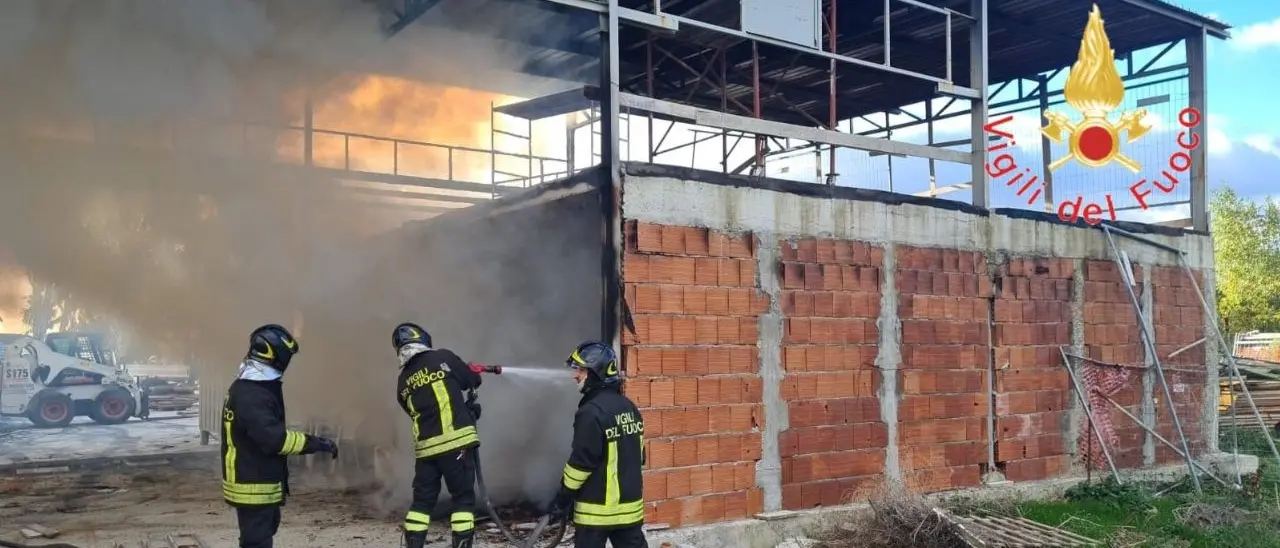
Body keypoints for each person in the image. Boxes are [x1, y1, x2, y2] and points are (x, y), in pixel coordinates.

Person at [220, 324, 339, 548]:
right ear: (275, 356)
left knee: (256, 538)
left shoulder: (245, 387)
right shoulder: (252, 395)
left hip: (252, 484)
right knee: (258, 542)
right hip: (254, 486)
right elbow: (275, 440)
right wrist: (317, 443)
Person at [393, 322, 485, 548]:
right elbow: (471, 380)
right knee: (463, 500)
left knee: (422, 504)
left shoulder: (402, 381)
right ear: (423, 339)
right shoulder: (442, 357)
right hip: (456, 445)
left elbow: (418, 412)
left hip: (426, 452)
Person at [550, 341, 648, 548]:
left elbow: (580, 464)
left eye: (581, 370)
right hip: (629, 512)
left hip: (596, 512)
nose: (575, 375)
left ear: (596, 373)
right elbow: (640, 456)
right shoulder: (629, 407)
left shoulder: (591, 412)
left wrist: (563, 498)